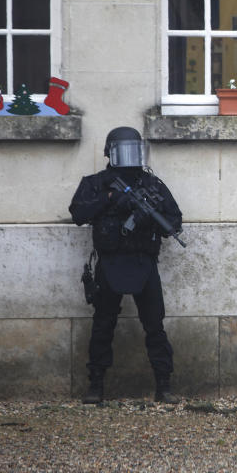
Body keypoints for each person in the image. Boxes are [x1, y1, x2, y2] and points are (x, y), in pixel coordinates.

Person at [69, 127, 183, 404]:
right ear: (110, 153)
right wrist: (109, 200)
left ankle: (163, 385)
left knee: (155, 325)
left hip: (144, 263)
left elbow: (174, 220)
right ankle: (95, 384)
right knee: (103, 325)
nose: (129, 157)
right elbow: (78, 213)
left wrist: (147, 218)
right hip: (110, 262)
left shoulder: (152, 185)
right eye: (123, 150)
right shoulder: (97, 184)